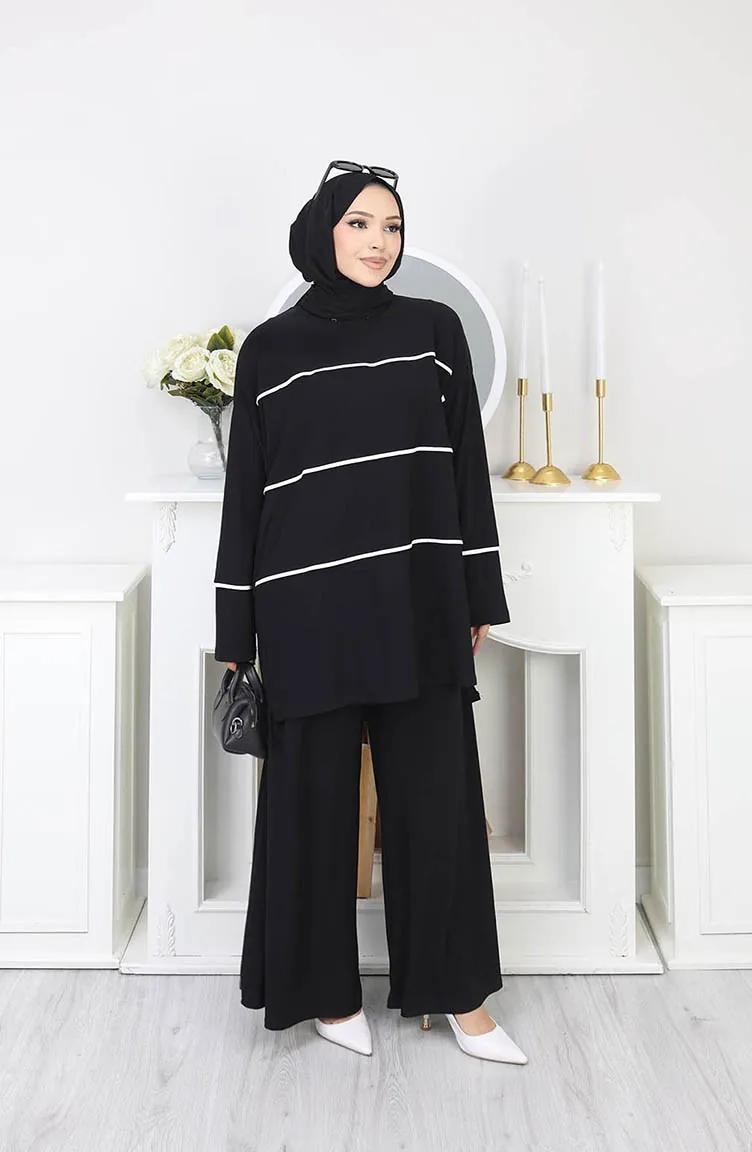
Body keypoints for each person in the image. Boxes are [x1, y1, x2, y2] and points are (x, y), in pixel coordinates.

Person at [213, 160, 528, 1065]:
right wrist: (236, 631)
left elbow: (464, 469)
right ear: (322, 231)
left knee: (436, 800)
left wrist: (478, 593)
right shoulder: (268, 349)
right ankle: (324, 994)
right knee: (309, 804)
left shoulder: (434, 330)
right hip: (306, 607)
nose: (378, 241)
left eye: (391, 226)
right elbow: (247, 496)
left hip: (419, 599)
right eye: (359, 222)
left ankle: (460, 996)